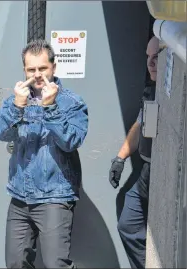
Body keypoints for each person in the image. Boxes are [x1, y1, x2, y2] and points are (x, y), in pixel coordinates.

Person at [0, 39, 89, 268]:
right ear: (24, 70)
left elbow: (71, 141)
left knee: (56, 264)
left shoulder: (71, 103)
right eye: (31, 69)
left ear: (53, 67)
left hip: (54, 196)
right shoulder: (17, 99)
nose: (37, 75)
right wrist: (17, 106)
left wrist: (51, 107)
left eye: (42, 68)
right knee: (16, 262)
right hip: (20, 196)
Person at [109, 36, 163, 269]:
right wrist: (120, 158)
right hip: (148, 174)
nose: (151, 63)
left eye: (157, 57)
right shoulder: (153, 91)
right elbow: (140, 124)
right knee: (128, 225)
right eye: (148, 57)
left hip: (167, 176)